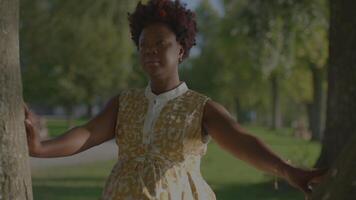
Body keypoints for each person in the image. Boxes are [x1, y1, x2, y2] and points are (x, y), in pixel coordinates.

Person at [24, 0, 327, 199]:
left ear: (180, 51)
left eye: (161, 43)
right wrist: (40, 148)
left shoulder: (201, 107)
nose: (151, 50)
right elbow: (87, 134)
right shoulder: (124, 102)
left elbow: (242, 140)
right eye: (144, 44)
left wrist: (287, 170)